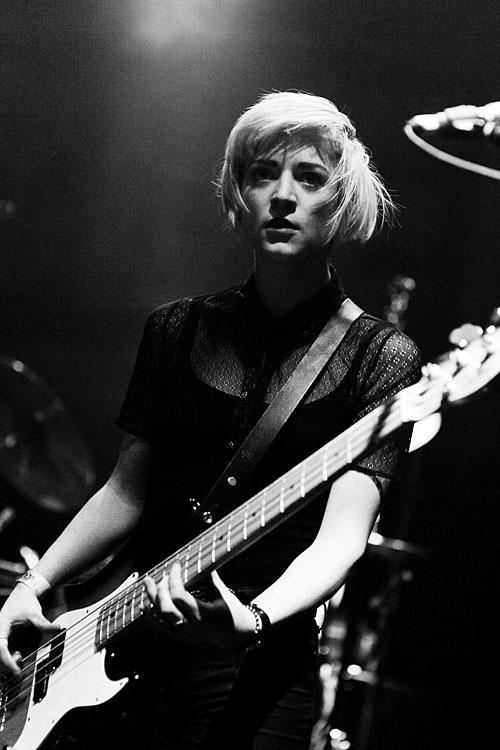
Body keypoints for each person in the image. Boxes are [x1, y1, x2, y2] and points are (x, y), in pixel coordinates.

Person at [0, 90, 422, 749]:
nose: (282, 196)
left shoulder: (380, 356)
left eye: (309, 177)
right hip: (123, 647)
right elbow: (126, 491)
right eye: (262, 174)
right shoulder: (177, 328)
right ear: (237, 195)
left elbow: (343, 537)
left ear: (341, 200)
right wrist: (34, 583)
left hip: (259, 672)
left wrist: (255, 619)